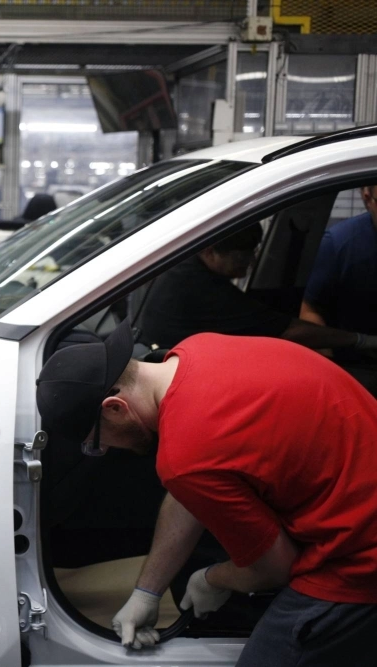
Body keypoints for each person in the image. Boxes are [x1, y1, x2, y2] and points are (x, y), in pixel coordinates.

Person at [35, 321, 377, 665]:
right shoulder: (198, 348)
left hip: (360, 559)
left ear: (115, 408)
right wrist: (147, 591)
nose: (106, 450)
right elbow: (191, 491)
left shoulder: (187, 455)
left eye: (97, 442)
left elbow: (275, 567)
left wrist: (213, 579)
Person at [138, 224, 377, 358]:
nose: (250, 261)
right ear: (211, 251)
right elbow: (288, 331)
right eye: (241, 255)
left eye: (252, 252)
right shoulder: (198, 286)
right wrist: (361, 340)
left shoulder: (185, 267)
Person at [300, 185, 377, 386]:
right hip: (359, 368)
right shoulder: (339, 244)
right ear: (367, 199)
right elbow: (310, 311)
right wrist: (330, 374)